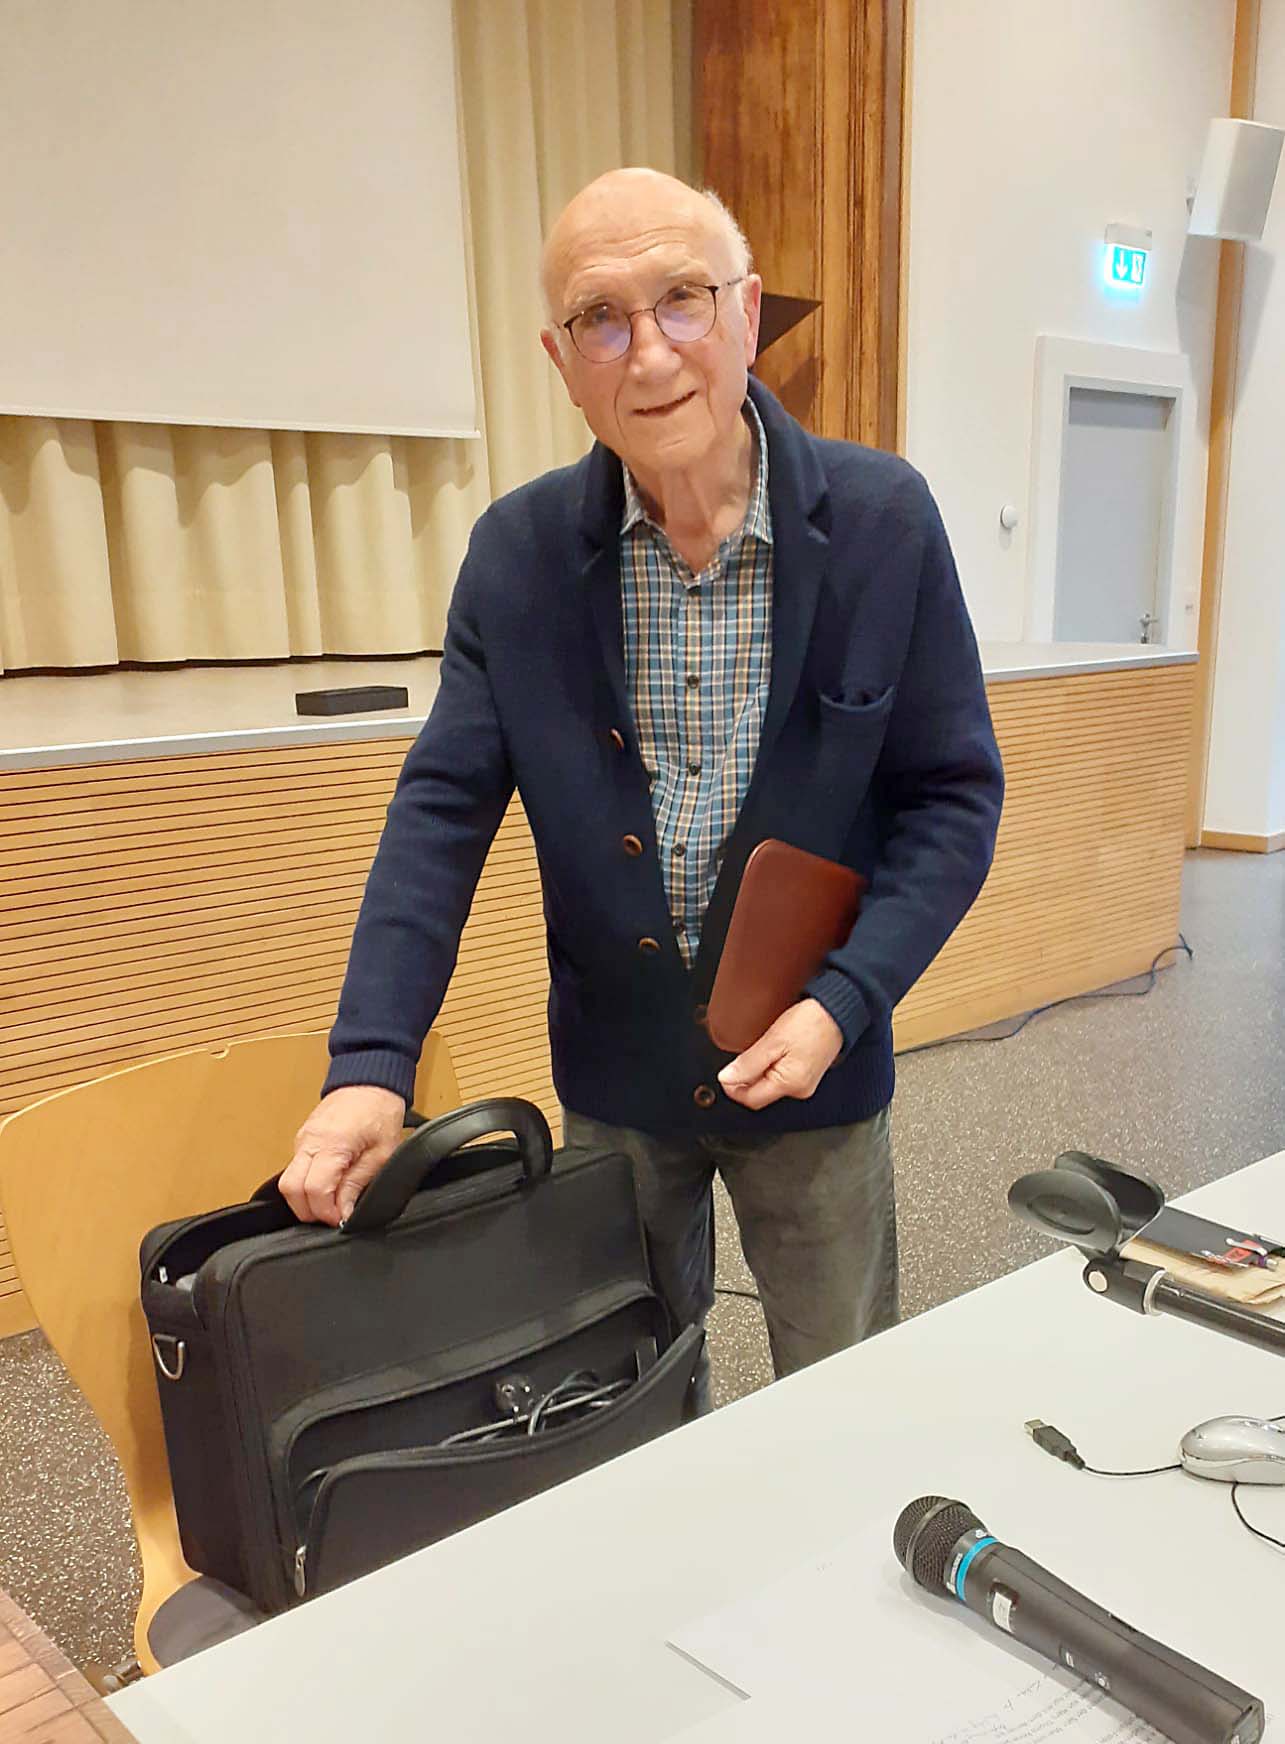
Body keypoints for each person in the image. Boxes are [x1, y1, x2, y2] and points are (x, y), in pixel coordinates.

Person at [280, 167, 1003, 1408]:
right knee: (620, 1402)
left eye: (681, 299)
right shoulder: (515, 555)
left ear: (746, 312)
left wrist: (842, 1003)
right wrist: (370, 1065)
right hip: (615, 1079)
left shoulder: (885, 522)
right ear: (562, 363)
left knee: (842, 1397)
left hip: (817, 1069)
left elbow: (951, 800)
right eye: (601, 320)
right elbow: (438, 818)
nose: (652, 352)